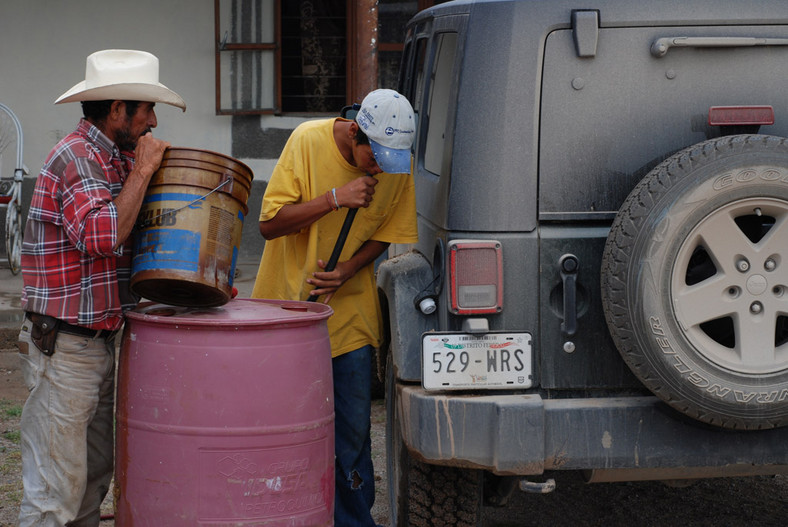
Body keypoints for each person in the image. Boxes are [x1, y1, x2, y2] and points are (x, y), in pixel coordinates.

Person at [17, 49, 185, 526]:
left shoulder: (113, 159)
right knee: (56, 489)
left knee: (91, 477)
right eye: (146, 109)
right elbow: (104, 237)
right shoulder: (77, 157)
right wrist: (145, 171)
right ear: (117, 111)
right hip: (65, 347)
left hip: (96, 341)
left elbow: (135, 242)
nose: (152, 121)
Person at [251, 88, 417, 525]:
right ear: (356, 134)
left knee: (352, 434)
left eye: (388, 161)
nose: (381, 168)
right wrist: (335, 198)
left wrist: (348, 269)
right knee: (282, 432)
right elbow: (269, 225)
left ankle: (354, 520)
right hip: (287, 314)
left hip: (351, 319)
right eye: (373, 158)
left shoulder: (398, 162)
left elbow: (390, 231)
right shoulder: (307, 141)